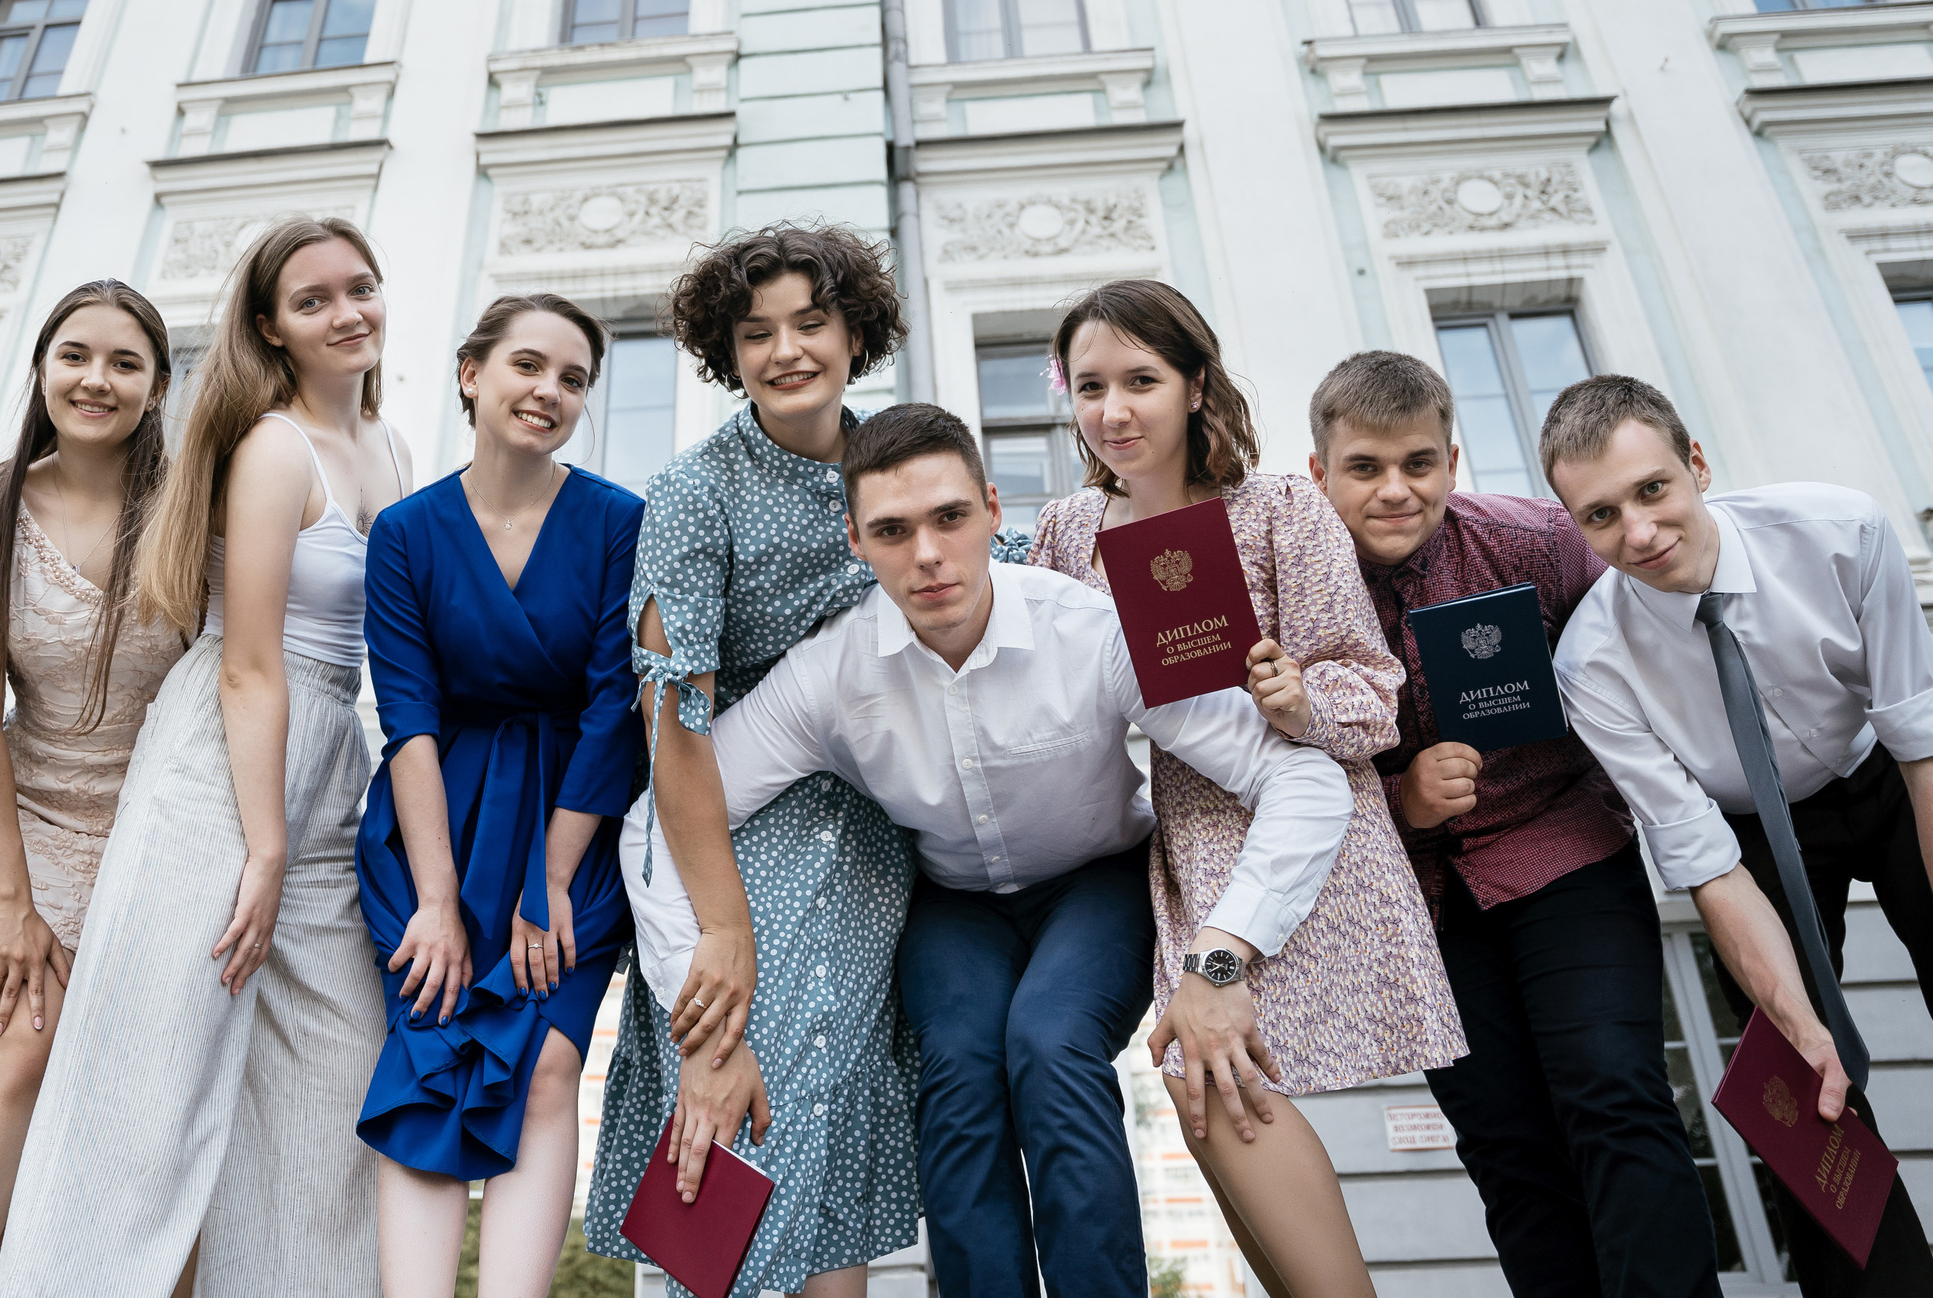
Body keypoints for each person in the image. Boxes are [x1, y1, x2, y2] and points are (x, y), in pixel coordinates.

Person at [628, 404, 1357, 1298]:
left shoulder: (1092, 629)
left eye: (949, 517)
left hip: (1096, 885)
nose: (927, 554)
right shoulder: (832, 673)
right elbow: (660, 819)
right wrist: (699, 997)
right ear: (856, 540)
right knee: (961, 1071)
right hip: (955, 906)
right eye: (892, 531)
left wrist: (1224, 949)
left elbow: (1303, 779)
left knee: (1050, 1043)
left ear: (992, 509)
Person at [585, 224, 1018, 1298]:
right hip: (733, 845)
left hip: (875, 859)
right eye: (756, 332)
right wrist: (722, 927)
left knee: (834, 1161)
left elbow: (1007, 567)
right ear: (725, 352)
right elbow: (672, 723)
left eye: (811, 322)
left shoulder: (901, 469)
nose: (786, 350)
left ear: (854, 332)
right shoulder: (697, 491)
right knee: (724, 1139)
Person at [1544, 373, 1933, 1297]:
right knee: (1803, 1107)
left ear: (1696, 464)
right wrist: (1800, 1024)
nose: (1639, 533)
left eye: (1653, 490)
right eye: (1602, 515)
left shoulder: (1840, 532)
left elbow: (1931, 750)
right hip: (1752, 844)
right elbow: (1707, 864)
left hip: (1895, 782)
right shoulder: (1589, 665)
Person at [0, 218, 409, 1296]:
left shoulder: (390, 444)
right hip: (224, 761)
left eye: (359, 287)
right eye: (312, 300)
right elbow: (249, 664)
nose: (346, 312)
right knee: (149, 1081)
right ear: (271, 327)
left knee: (332, 1075)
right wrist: (263, 848)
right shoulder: (273, 446)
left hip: (335, 755)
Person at [1026, 280, 1461, 1298]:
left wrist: (1297, 697)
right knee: (1202, 1097)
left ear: (1194, 385)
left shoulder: (1276, 508)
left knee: (1218, 1083)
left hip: (1301, 836)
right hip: (1178, 839)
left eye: (1140, 380)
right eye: (1090, 386)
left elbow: (1374, 694)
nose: (1113, 410)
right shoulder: (1066, 530)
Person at [1305, 351, 1720, 1298]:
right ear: (1320, 473)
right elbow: (1269, 766)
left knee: (1613, 1094)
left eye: (1419, 462)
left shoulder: (1538, 544)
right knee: (1506, 1146)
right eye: (1366, 467)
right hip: (1420, 901)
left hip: (1563, 848)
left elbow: (1657, 639)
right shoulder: (1294, 585)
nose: (1396, 489)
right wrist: (1399, 800)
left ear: (1452, 461)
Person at [0, 281, 186, 1298]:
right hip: (37, 818)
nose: (95, 380)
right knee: (19, 1053)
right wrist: (11, 901)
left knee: (149, 1096)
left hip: (169, 826)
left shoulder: (194, 508)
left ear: (158, 387)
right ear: (41, 370)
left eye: (124, 362)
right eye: (75, 355)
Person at [358, 294, 641, 1297]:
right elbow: (408, 718)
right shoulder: (405, 532)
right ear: (471, 373)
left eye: (573, 378)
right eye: (528, 365)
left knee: (552, 1066)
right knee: (429, 1055)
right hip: (439, 819)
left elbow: (614, 707)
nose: (549, 391)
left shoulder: (618, 521)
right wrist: (437, 900)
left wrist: (550, 879)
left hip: (574, 815)